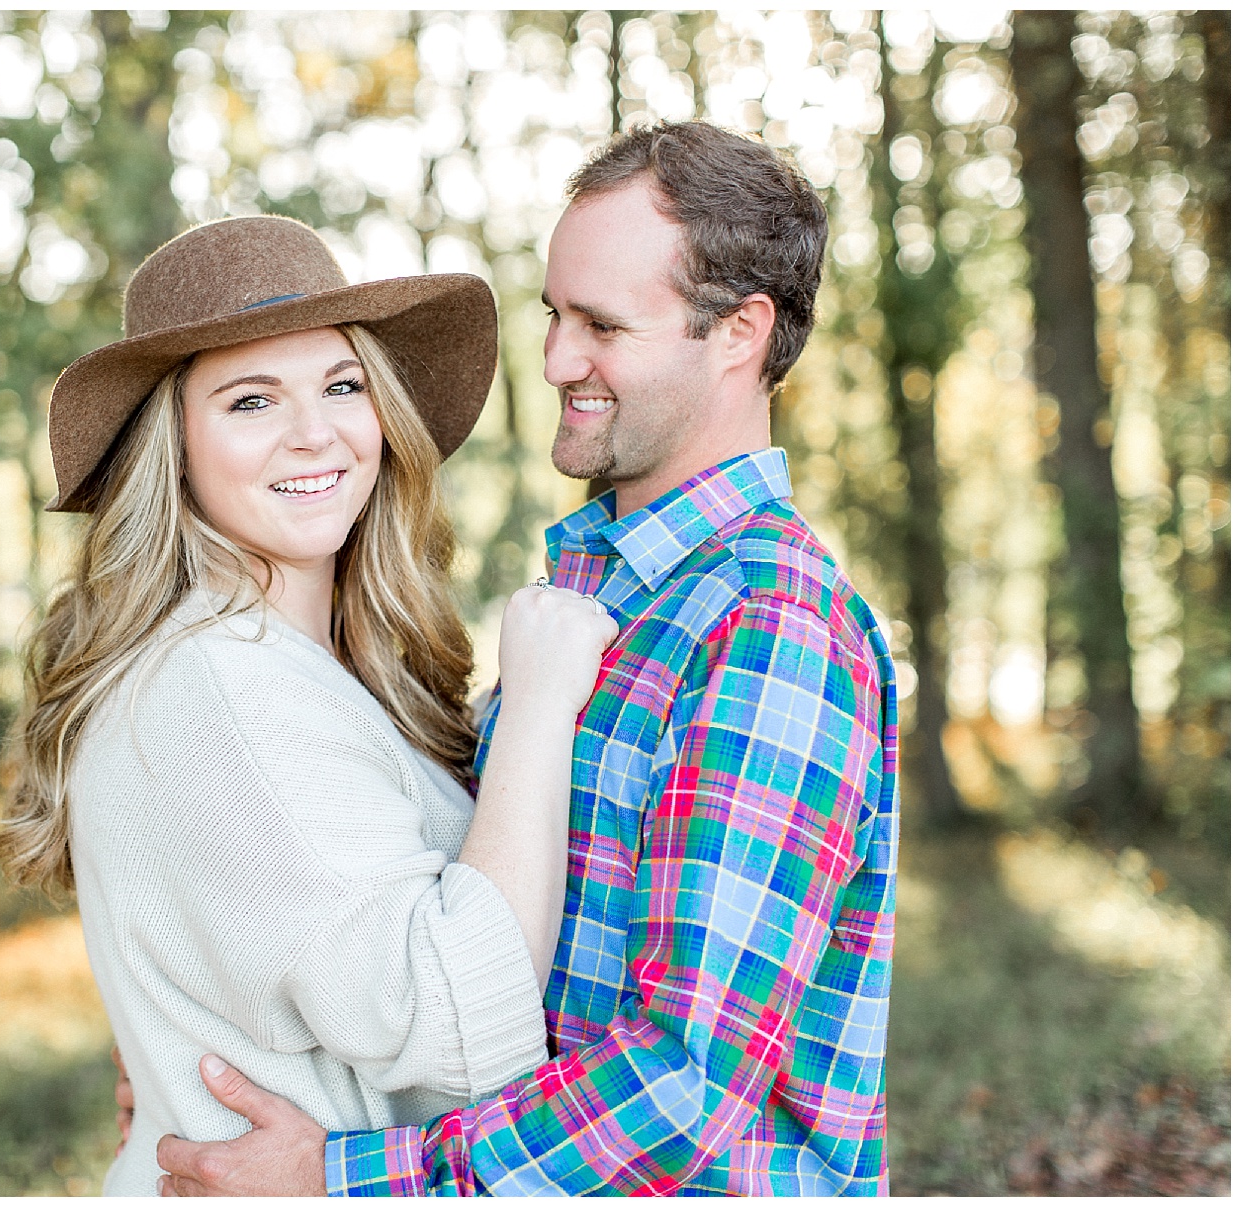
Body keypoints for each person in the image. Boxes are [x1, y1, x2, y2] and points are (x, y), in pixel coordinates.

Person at [152, 121, 901, 1196]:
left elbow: (683, 1090)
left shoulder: (769, 622)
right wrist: (213, 1059)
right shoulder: (602, 594)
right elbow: (445, 919)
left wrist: (345, 1179)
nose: (555, 361)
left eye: (602, 325)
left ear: (740, 332)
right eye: (555, 315)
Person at [0, 214, 619, 1196]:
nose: (315, 432)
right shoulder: (228, 689)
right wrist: (540, 707)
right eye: (251, 400)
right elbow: (462, 1028)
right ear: (175, 446)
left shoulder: (293, 665)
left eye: (341, 385)